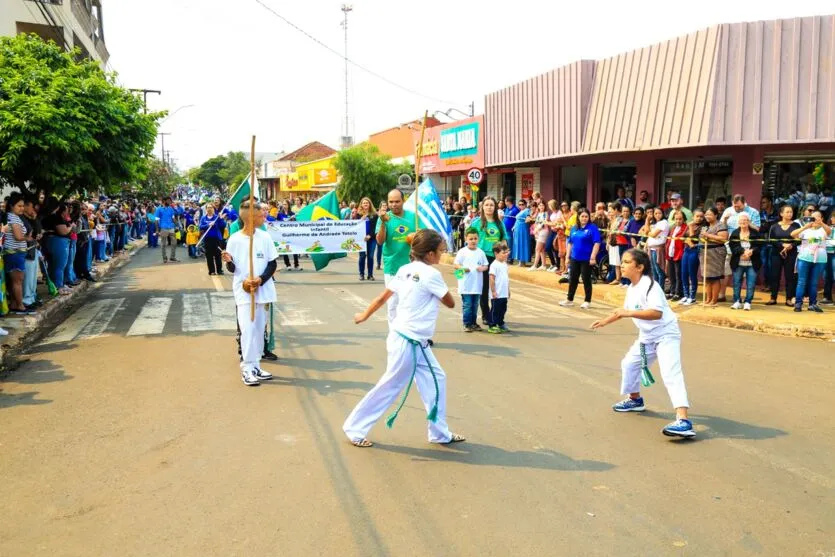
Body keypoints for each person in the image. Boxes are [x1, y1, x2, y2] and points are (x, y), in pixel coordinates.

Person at [342, 229, 465, 448]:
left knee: (437, 379)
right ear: (429, 254)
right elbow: (450, 303)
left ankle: (439, 432)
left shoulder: (405, 269)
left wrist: (364, 315)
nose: (442, 255)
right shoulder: (431, 274)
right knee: (390, 386)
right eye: (440, 251)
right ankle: (355, 428)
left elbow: (383, 298)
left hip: (411, 340)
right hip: (409, 340)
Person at [591, 248, 695, 438]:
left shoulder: (650, 286)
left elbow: (656, 313)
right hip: (647, 336)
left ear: (639, 267)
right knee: (629, 363)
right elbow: (625, 310)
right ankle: (635, 399)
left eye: (626, 262)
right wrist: (606, 321)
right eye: (622, 262)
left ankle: (683, 420)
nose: (622, 265)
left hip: (665, 334)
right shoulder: (632, 288)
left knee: (670, 372)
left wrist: (626, 313)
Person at [222, 201, 279, 386]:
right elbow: (232, 268)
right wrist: (228, 261)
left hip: (262, 289)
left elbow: (273, 263)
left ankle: (255, 365)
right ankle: (246, 368)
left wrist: (260, 280)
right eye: (261, 213)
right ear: (250, 217)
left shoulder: (265, 237)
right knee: (247, 329)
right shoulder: (235, 239)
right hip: (244, 291)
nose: (265, 215)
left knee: (258, 329)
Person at [376, 189, 416, 324]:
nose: (394, 205)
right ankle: (395, 332)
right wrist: (382, 223)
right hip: (392, 266)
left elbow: (422, 236)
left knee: (411, 301)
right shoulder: (385, 218)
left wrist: (415, 237)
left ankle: (413, 332)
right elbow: (380, 241)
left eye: (397, 201)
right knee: (393, 302)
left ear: (403, 201)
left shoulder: (413, 217)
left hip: (412, 265)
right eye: (391, 202)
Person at [469, 197, 508, 325]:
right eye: (487, 205)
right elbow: (469, 239)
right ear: (483, 207)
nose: (489, 207)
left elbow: (504, 240)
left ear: (495, 207)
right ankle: (485, 315)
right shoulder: (476, 223)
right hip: (482, 258)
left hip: (496, 259)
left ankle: (494, 314)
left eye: (492, 205)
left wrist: (504, 254)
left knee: (496, 287)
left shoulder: (499, 223)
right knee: (484, 287)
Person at [560, 208, 601, 309]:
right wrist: (567, 256)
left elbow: (597, 243)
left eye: (586, 216)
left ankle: (587, 301)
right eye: (582, 216)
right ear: (578, 217)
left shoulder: (592, 228)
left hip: (586, 259)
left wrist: (593, 256)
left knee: (586, 279)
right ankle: (569, 299)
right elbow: (570, 243)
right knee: (573, 279)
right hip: (575, 258)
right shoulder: (574, 228)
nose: (584, 218)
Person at [790, 211, 831, 313]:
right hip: (804, 258)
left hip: (820, 259)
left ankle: (812, 304)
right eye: (813, 217)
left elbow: (829, 231)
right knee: (801, 282)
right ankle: (798, 304)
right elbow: (793, 234)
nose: (815, 219)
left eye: (817, 217)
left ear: (822, 218)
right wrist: (805, 227)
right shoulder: (806, 229)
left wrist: (821, 223)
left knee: (813, 283)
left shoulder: (823, 229)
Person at [454, 227, 489, 332]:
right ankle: (467, 323)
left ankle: (473, 323)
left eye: (475, 238)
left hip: (477, 284)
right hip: (466, 285)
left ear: (478, 239)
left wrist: (482, 268)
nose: (473, 241)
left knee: (475, 305)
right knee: (467, 304)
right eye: (471, 239)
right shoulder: (462, 252)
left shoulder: (481, 252)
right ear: (466, 239)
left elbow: (486, 265)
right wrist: (463, 268)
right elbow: (456, 265)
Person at [4, 193, 32, 314]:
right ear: (11, 206)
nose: (22, 208)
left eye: (22, 206)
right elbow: (18, 236)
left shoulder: (13, 217)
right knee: (18, 280)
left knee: (15, 280)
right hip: (14, 253)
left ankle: (15, 304)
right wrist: (29, 238)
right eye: (19, 206)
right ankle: (20, 306)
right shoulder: (13, 218)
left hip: (15, 253)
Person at [766, 205, 800, 306]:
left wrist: (791, 245)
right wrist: (782, 245)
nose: (790, 214)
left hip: (791, 254)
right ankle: (773, 298)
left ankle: (789, 298)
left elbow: (799, 240)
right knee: (774, 275)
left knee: (790, 276)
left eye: (791, 212)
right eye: (787, 212)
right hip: (776, 254)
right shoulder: (774, 226)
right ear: (781, 214)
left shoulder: (796, 226)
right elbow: (771, 240)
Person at [729, 213, 761, 311]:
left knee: (751, 284)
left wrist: (751, 251)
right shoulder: (734, 233)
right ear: (738, 222)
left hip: (752, 262)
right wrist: (743, 252)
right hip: (738, 262)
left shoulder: (755, 233)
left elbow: (759, 245)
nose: (743, 222)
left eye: (745, 220)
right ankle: (737, 301)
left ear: (748, 221)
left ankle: (748, 302)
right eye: (741, 220)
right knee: (736, 283)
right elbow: (733, 247)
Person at [700, 207, 729, 307]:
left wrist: (708, 236)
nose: (707, 216)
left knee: (715, 278)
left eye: (709, 214)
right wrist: (708, 237)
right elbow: (701, 238)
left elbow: (723, 239)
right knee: (707, 278)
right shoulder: (705, 227)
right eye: (706, 214)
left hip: (716, 253)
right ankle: (708, 299)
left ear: (716, 215)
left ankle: (714, 300)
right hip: (705, 253)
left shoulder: (720, 225)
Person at [679, 210, 705, 306]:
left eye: (701, 216)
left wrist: (690, 229)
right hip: (686, 250)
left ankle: (692, 296)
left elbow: (694, 238)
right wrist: (688, 240)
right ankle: (686, 295)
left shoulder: (703, 227)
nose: (699, 218)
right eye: (697, 216)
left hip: (695, 251)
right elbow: (682, 237)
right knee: (684, 272)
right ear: (693, 217)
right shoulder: (689, 225)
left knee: (692, 273)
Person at [488, 241, 511, 333]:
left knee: (503, 309)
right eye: (503, 253)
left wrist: (508, 290)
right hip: (497, 293)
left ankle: (500, 323)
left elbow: (506, 279)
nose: (506, 255)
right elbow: (492, 278)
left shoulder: (505, 265)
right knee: (495, 310)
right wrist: (493, 291)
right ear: (496, 253)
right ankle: (492, 325)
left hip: (504, 292)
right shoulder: (494, 265)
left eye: (507, 252)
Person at [200, 204, 226, 275]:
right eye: (208, 207)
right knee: (209, 256)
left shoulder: (216, 217)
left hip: (216, 239)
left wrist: (220, 218)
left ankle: (219, 270)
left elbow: (223, 225)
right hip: (207, 239)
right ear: (206, 209)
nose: (209, 209)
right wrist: (208, 225)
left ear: (213, 209)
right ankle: (212, 271)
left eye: (211, 207)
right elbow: (200, 226)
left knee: (218, 255)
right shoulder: (203, 218)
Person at [357, 197, 377, 281]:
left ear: (370, 204)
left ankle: (370, 275)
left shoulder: (375, 215)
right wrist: (361, 220)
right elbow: (353, 226)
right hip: (361, 240)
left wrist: (370, 235)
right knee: (362, 256)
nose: (365, 204)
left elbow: (376, 227)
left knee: (371, 256)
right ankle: (361, 274)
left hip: (371, 238)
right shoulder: (358, 214)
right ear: (361, 204)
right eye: (364, 203)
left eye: (367, 203)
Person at [155, 197, 178, 263]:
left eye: (170, 200)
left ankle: (172, 257)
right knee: (163, 244)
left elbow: (173, 218)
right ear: (164, 201)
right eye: (168, 201)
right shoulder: (159, 209)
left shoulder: (171, 209)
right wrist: (157, 230)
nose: (170, 202)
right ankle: (164, 258)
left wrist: (177, 225)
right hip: (163, 228)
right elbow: (156, 220)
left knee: (174, 243)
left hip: (171, 227)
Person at [511, 199, 531, 266]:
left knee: (523, 243)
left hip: (523, 229)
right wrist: (514, 227)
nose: (521, 206)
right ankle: (520, 261)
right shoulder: (520, 211)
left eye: (522, 204)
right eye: (519, 204)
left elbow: (528, 217)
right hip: (517, 229)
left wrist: (528, 219)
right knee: (518, 244)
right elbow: (517, 220)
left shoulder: (527, 210)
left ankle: (523, 261)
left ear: (525, 204)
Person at [822, 211, 835, 305]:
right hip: (826, 254)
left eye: (834, 217)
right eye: (832, 217)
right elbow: (820, 240)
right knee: (827, 276)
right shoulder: (827, 228)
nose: (832, 219)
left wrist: (827, 242)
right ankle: (827, 297)